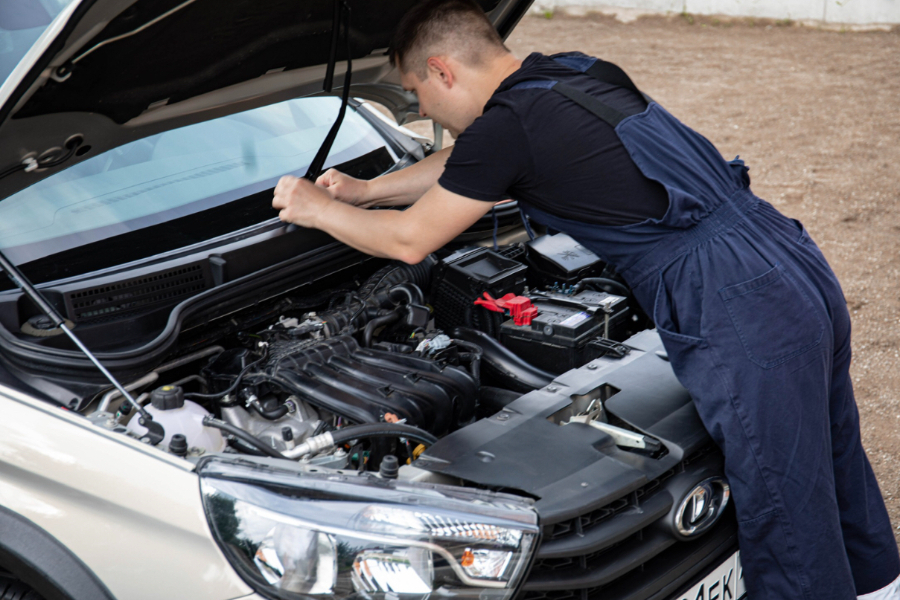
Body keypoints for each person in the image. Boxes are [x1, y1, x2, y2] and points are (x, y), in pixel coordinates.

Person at [272, 1, 900, 598]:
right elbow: (463, 163)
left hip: (732, 296)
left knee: (780, 493)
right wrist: (366, 192)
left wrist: (318, 208)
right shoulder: (573, 70)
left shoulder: (508, 127)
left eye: (416, 93)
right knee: (829, 446)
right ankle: (878, 584)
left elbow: (411, 242)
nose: (417, 105)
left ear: (442, 71)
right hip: (784, 257)